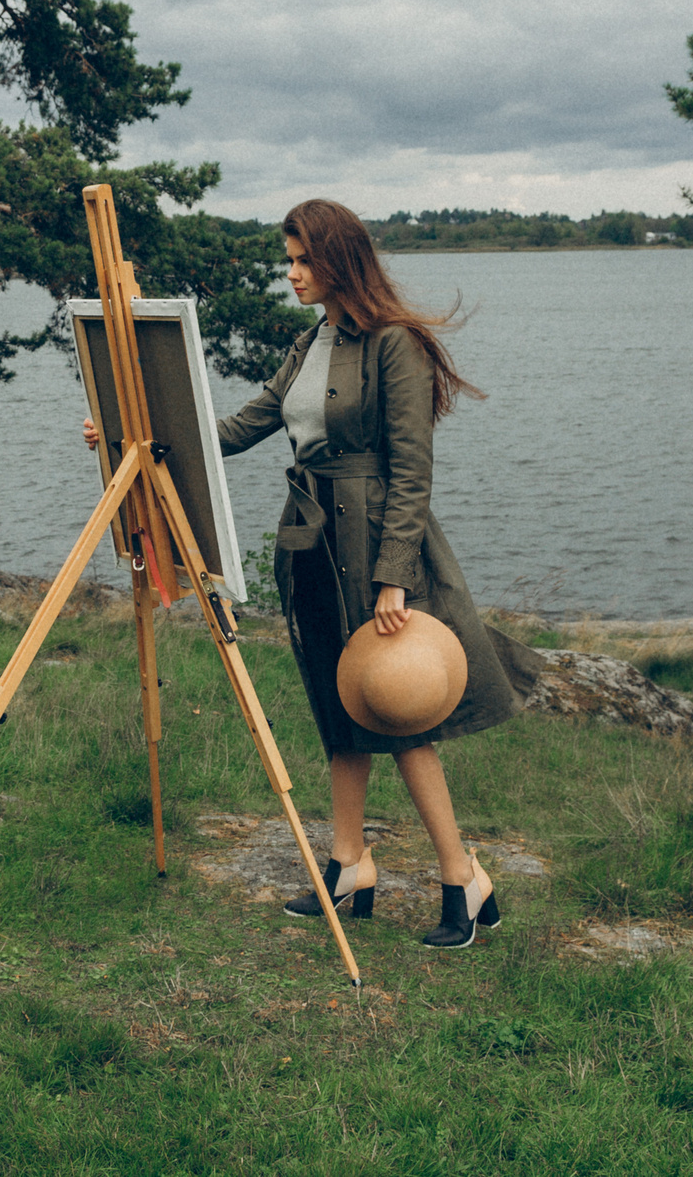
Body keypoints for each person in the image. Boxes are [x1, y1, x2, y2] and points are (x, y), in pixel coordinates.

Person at [83, 198, 544, 947]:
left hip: (373, 549)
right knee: (340, 706)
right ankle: (349, 862)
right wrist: (128, 426)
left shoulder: (393, 344)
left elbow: (412, 470)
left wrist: (394, 576)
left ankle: (463, 874)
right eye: (288, 261)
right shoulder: (312, 342)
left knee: (399, 711)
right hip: (311, 544)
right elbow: (236, 427)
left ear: (338, 259)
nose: (291, 274)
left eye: (302, 260)